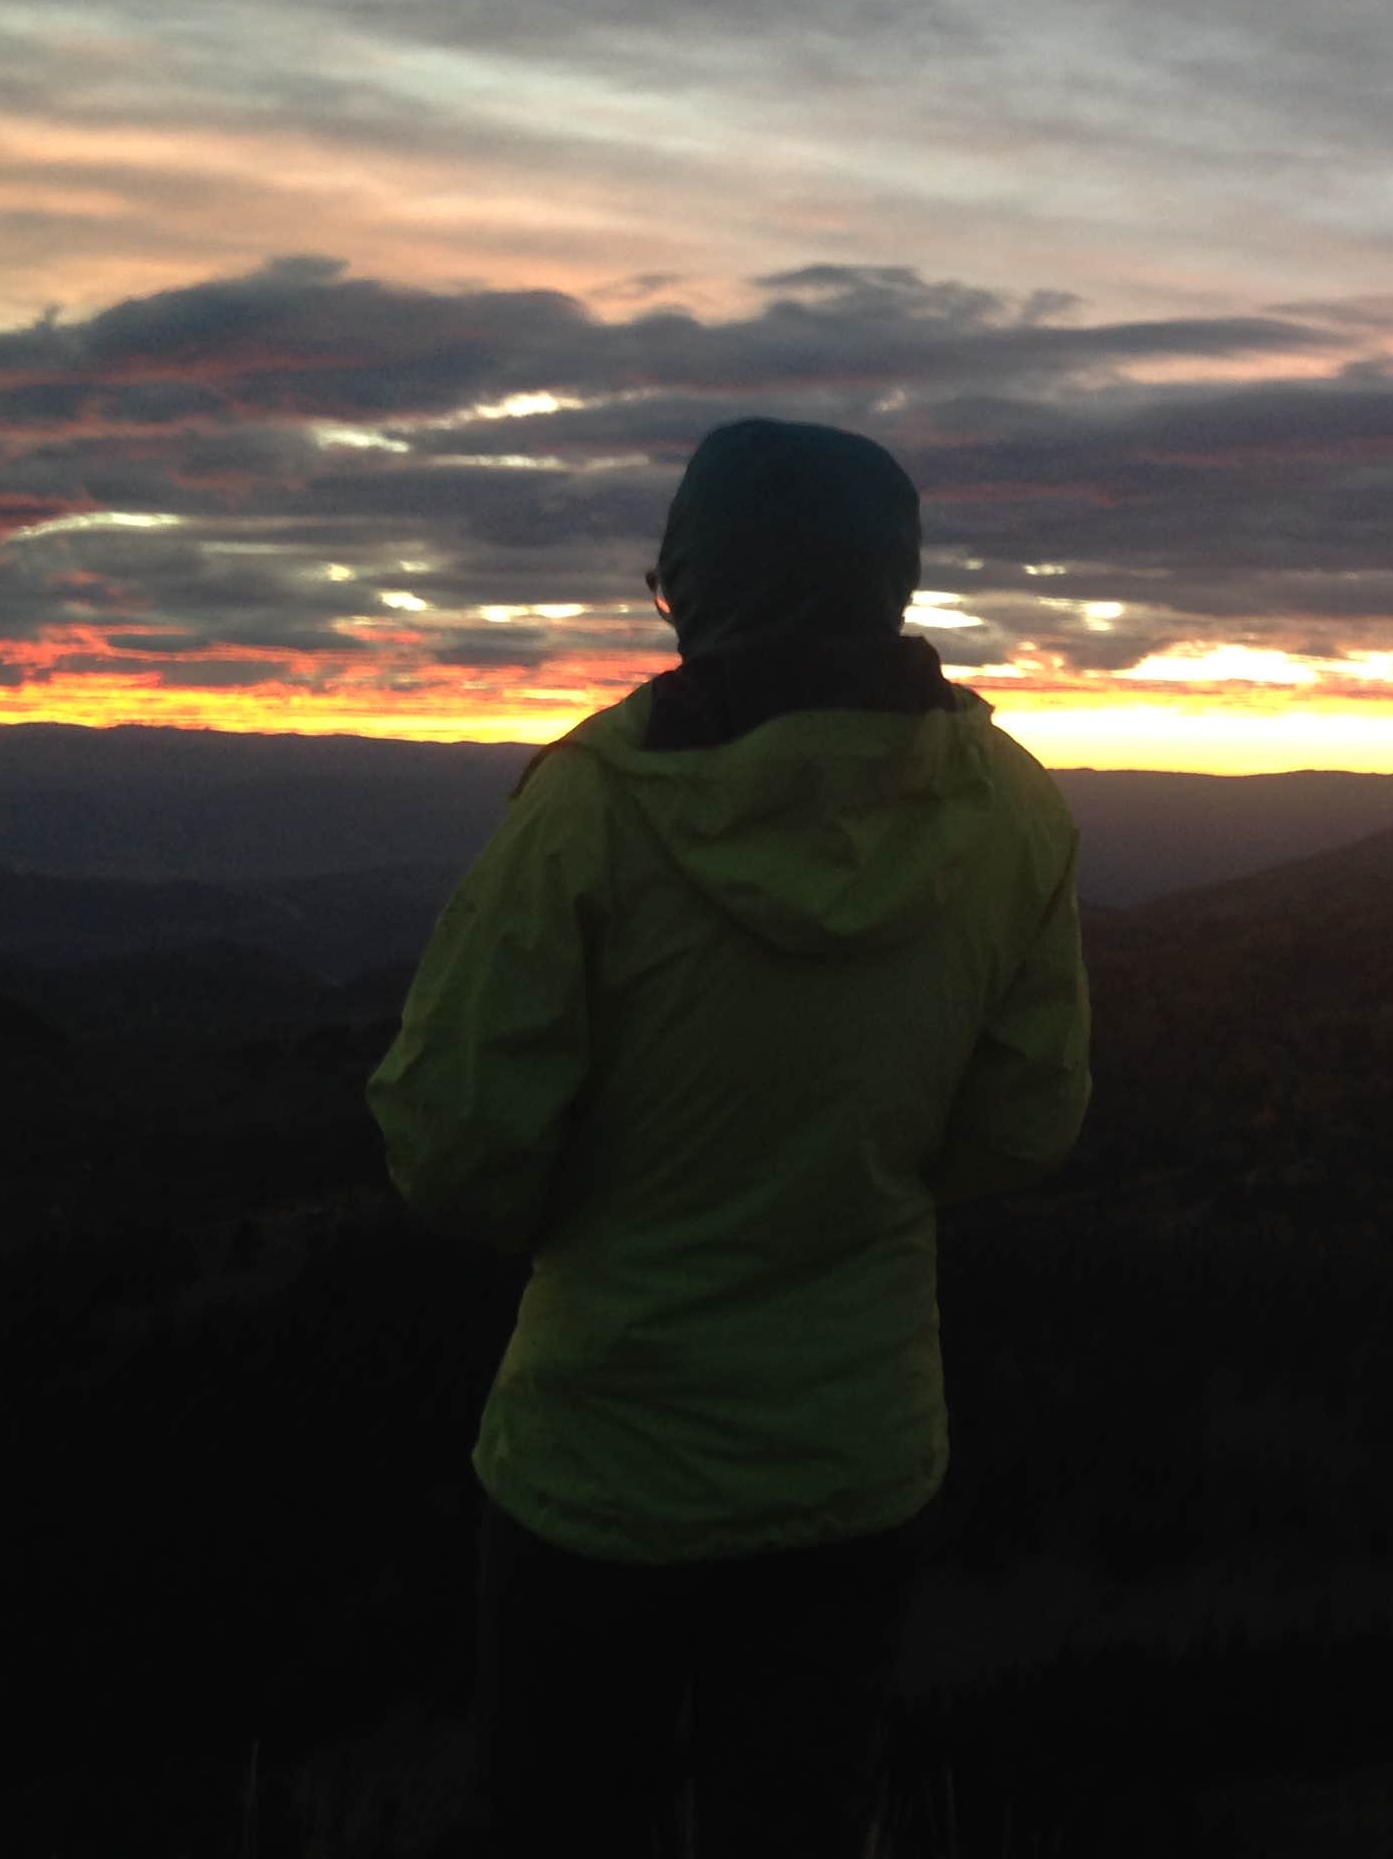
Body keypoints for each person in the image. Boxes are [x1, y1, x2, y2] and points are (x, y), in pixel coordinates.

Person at [368, 417, 1091, 1857]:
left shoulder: (592, 808)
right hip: (856, 1462)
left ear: (698, 586)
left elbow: (454, 1154)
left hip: (595, 1470)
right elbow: (1026, 1125)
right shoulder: (1009, 809)